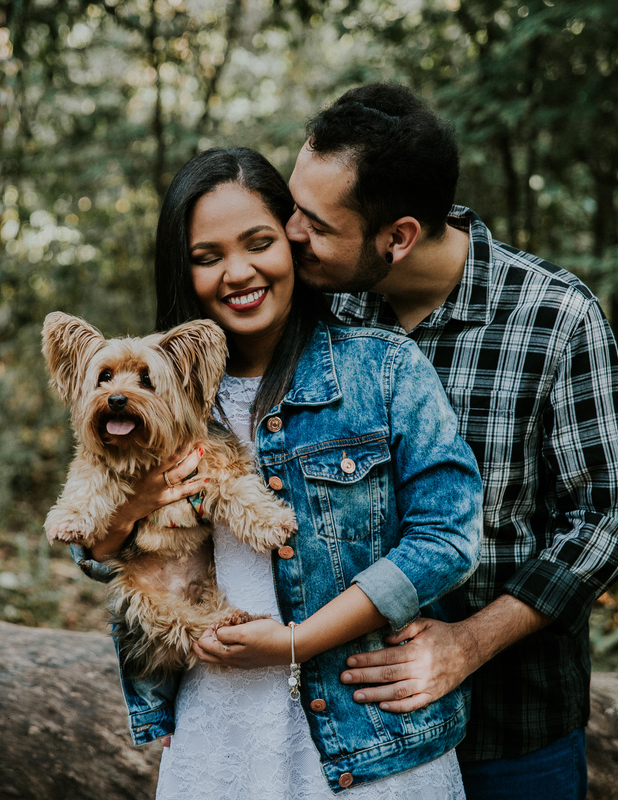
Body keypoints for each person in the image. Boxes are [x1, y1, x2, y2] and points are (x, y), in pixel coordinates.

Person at [70, 146, 483, 798]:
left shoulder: (382, 370)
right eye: (208, 257)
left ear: (293, 241)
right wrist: (130, 506)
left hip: (370, 735)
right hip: (219, 728)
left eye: (259, 243)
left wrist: (296, 641)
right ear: (184, 269)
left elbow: (447, 539)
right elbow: (100, 552)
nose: (238, 272)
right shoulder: (152, 392)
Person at [282, 83, 618, 799]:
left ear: (400, 236)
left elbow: (608, 519)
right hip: (355, 731)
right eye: (293, 205)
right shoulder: (318, 308)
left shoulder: (555, 318)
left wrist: (468, 644)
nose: (292, 233)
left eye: (316, 224)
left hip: (513, 729)